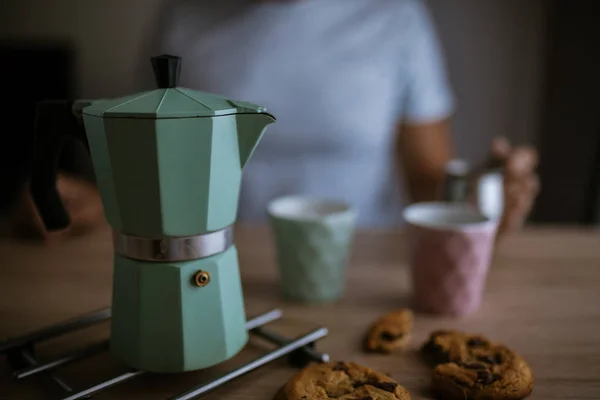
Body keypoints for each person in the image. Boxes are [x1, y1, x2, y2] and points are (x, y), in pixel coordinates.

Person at [139, 0, 538, 234]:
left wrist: (476, 197)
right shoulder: (184, 13)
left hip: (361, 271)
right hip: (211, 257)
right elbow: (149, 155)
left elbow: (426, 178)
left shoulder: (396, 15)